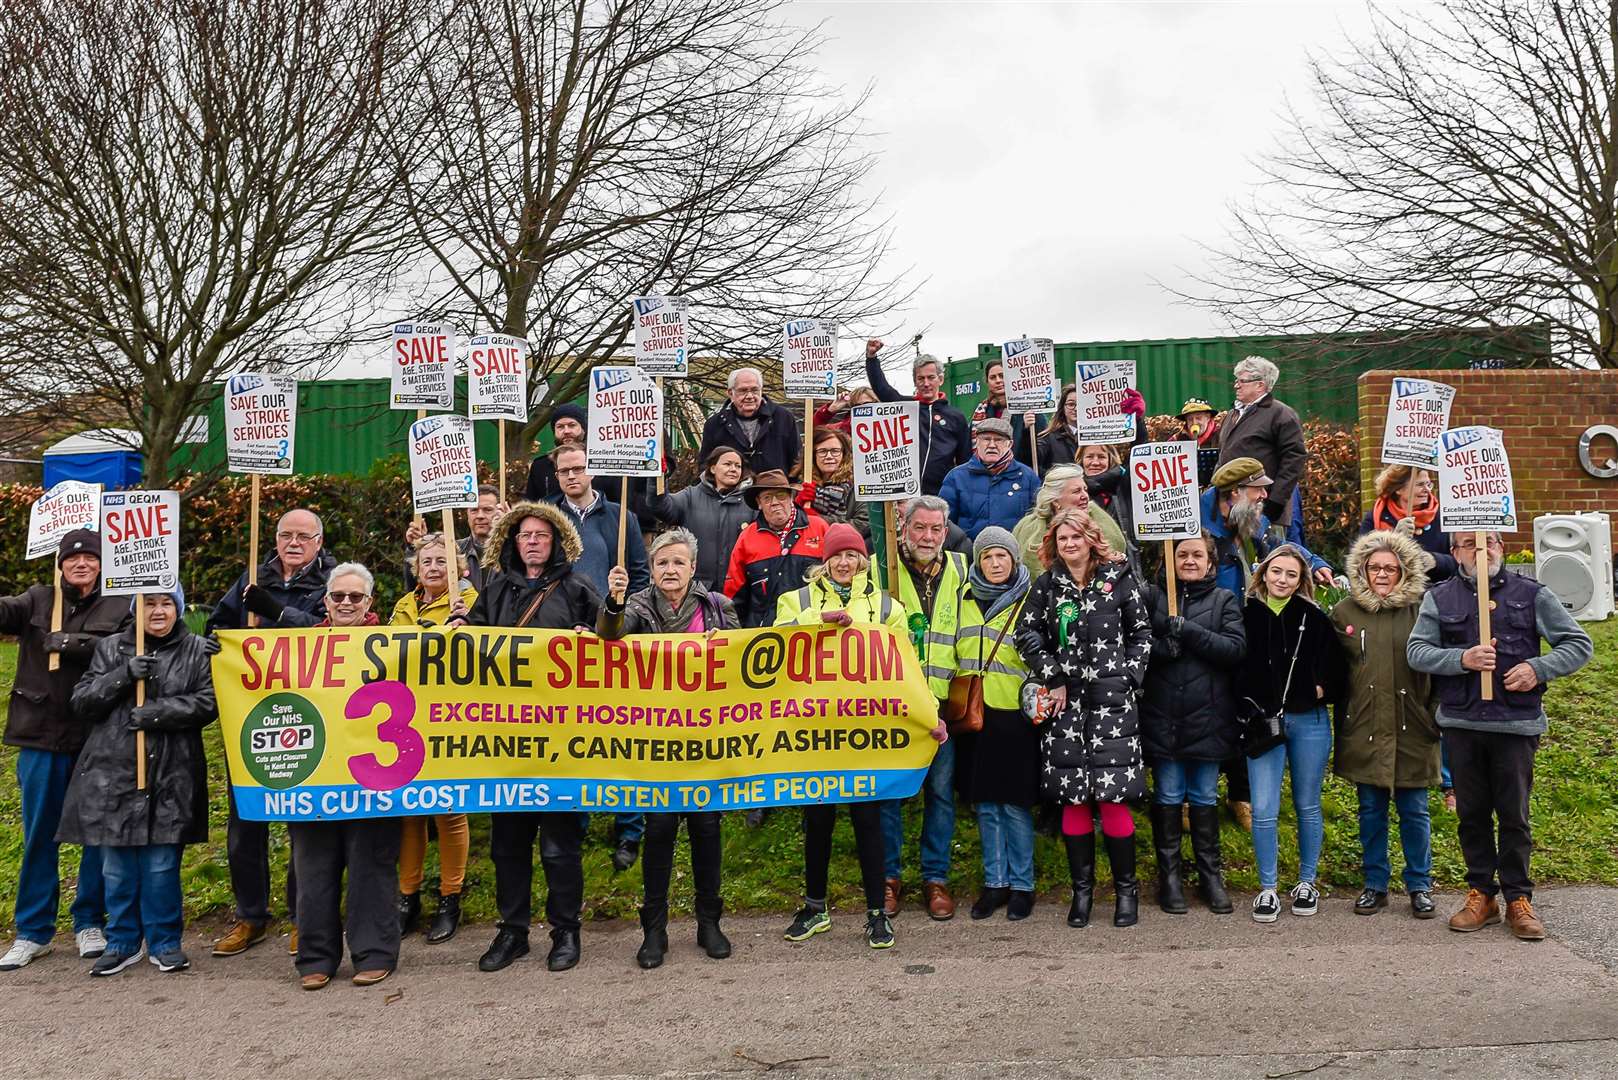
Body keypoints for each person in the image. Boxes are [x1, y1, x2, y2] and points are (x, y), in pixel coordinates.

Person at [1407, 531, 1593, 941]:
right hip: (1462, 724)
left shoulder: (1532, 594)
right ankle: (1481, 895)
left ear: (1501, 548)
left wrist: (1537, 669)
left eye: (1488, 541)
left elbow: (1578, 643)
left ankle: (1518, 899)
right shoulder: (1440, 598)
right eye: (1469, 543)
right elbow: (1417, 652)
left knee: (1514, 816)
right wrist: (1461, 659)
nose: (1481, 549)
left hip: (1515, 726)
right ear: (1454, 554)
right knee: (1471, 816)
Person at [460, 501, 601, 972]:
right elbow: (471, 650)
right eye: (525, 535)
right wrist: (461, 630)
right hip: (506, 741)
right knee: (508, 845)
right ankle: (512, 931)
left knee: (560, 846)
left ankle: (566, 931)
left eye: (542, 534)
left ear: (557, 539)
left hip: (562, 742)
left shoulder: (579, 589)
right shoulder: (494, 589)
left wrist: (593, 636)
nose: (534, 541)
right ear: (512, 542)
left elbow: (610, 646)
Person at [774, 523, 928, 950]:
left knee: (869, 822)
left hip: (867, 731)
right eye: (836, 556)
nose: (843, 563)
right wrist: (815, 623)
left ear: (862, 560)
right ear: (824, 562)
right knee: (818, 820)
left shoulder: (884, 605)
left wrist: (927, 714)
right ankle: (815, 907)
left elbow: (906, 667)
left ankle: (877, 913)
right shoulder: (797, 599)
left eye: (851, 556)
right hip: (815, 728)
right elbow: (776, 644)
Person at [597, 529, 738, 969]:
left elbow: (740, 666)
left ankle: (708, 922)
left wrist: (725, 650)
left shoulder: (717, 608)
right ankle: (653, 929)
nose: (670, 570)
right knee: (658, 832)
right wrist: (614, 600)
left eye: (678, 563)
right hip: (656, 748)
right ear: (652, 570)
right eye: (662, 563)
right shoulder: (638, 606)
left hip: (705, 744)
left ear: (693, 568)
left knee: (706, 832)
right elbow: (610, 636)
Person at [59, 588, 215, 975]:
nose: (158, 611)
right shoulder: (111, 648)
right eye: (149, 603)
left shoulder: (197, 649)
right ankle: (123, 940)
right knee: (117, 868)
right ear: (136, 609)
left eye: (166, 603)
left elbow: (208, 702)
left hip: (171, 774)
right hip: (113, 775)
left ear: (177, 609)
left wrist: (156, 713)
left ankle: (165, 941)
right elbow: (83, 702)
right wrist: (123, 676)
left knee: (162, 865)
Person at [1015, 509, 1153, 929]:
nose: (1070, 544)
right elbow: (1027, 633)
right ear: (1053, 545)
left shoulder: (1119, 580)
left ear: (1092, 539)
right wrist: (1052, 674)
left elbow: (1142, 634)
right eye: (1062, 539)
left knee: (1113, 799)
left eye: (1077, 536)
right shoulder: (1047, 586)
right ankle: (1083, 893)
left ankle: (1126, 894)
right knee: (1073, 797)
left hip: (1114, 707)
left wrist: (1129, 675)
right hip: (1066, 709)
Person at [207, 508, 334, 959]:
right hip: (252, 712)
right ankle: (250, 916)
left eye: (303, 536)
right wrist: (218, 640)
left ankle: (306, 917)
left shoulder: (331, 581)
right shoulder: (252, 576)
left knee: (303, 819)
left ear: (319, 541)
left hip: (308, 711)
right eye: (285, 535)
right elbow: (217, 627)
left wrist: (277, 613)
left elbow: (331, 632)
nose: (293, 542)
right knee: (246, 820)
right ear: (275, 538)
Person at [0, 530, 127, 971]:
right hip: (39, 735)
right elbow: (3, 613)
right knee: (39, 834)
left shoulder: (119, 603)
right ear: (60, 564)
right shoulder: (36, 599)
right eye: (73, 558)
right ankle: (33, 931)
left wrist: (71, 643)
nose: (82, 565)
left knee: (96, 833)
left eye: (90, 558)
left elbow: (124, 650)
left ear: (101, 564)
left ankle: (89, 921)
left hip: (96, 736)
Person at [292, 565, 402, 989]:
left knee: (370, 866)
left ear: (369, 603)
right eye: (338, 596)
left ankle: (374, 952)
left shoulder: (394, 646)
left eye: (355, 597)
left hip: (373, 774)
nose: (345, 604)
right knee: (313, 869)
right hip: (315, 774)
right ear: (325, 601)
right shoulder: (299, 648)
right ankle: (316, 956)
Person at [1330, 531, 1439, 919]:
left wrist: (1434, 712)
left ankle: (1420, 885)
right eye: (1374, 567)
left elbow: (1438, 667)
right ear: (1362, 569)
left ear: (1403, 571)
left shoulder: (1423, 609)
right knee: (1370, 811)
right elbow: (1333, 669)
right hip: (1365, 725)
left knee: (1415, 811)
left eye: (1390, 568)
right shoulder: (1344, 612)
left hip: (1413, 724)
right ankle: (1375, 884)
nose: (1381, 574)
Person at [1240, 545, 1347, 923]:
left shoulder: (1314, 618)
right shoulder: (1245, 613)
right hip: (1262, 722)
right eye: (1276, 572)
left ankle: (1306, 881)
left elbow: (1337, 672)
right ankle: (1267, 888)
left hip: (1309, 722)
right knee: (1265, 807)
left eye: (1291, 574)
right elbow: (1235, 668)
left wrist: (1318, 689)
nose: (1282, 580)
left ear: (1301, 580)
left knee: (1307, 804)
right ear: (1263, 573)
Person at [1141, 532, 1244, 916]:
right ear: (1169, 559)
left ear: (1210, 561)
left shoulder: (1225, 601)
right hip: (1163, 715)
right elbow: (1134, 643)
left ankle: (1209, 876)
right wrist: (1159, 646)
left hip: (1208, 718)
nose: (1188, 560)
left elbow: (1234, 650)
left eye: (1196, 555)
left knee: (1203, 797)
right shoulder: (1153, 599)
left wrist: (1188, 631)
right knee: (1168, 795)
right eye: (1181, 554)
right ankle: (1168, 878)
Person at [881, 495, 969, 920]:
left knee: (940, 794)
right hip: (896, 706)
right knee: (891, 795)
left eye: (936, 529)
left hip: (942, 705)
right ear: (904, 527)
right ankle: (888, 877)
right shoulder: (885, 571)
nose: (928, 537)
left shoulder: (961, 568)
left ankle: (936, 878)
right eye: (920, 528)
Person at [389, 534, 476, 944]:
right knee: (410, 811)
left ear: (459, 567)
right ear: (415, 568)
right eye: (427, 561)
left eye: (443, 560)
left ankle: (450, 896)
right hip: (406, 718)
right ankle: (408, 896)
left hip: (450, 715)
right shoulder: (402, 607)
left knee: (448, 809)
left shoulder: (470, 602)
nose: (434, 567)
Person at [953, 527, 1039, 922]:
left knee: (1016, 804)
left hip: (1016, 713)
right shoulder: (963, 598)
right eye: (987, 557)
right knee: (986, 804)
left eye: (1001, 556)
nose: (994, 563)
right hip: (975, 714)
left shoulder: (1030, 599)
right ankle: (995, 882)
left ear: (1014, 559)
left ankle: (1023, 885)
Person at [1203, 457, 1335, 598]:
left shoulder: (1246, 517)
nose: (1264, 495)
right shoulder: (1198, 532)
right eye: (1259, 489)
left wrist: (1313, 563)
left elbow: (1278, 546)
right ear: (1235, 491)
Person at [723, 470, 829, 629]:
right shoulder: (747, 537)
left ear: (791, 498)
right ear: (759, 502)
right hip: (764, 635)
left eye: (781, 496)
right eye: (767, 498)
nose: (775, 502)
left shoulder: (819, 528)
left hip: (812, 631)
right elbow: (734, 596)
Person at [864, 339, 970, 495]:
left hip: (942, 494)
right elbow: (882, 389)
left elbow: (965, 461)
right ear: (915, 381)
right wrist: (871, 358)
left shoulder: (956, 416)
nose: (926, 383)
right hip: (907, 494)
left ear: (940, 379)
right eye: (921, 378)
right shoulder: (905, 407)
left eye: (931, 377)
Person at [548, 442, 650, 601]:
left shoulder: (622, 517)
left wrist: (625, 610)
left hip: (607, 615)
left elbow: (640, 574)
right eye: (564, 471)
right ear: (557, 476)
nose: (571, 476)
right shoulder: (547, 518)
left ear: (592, 471)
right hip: (560, 616)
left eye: (578, 469)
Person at [1214, 356, 1308, 529]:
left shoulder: (1281, 414)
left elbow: (1294, 459)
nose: (1236, 385)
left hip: (1264, 512)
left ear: (1260, 385)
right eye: (1237, 380)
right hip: (1229, 511)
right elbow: (1223, 456)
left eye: (1242, 381)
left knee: (1268, 555)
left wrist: (1275, 503)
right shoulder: (1231, 415)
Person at [524, 404, 652, 530]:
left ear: (583, 429)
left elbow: (620, 502)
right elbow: (531, 505)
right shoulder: (540, 466)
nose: (566, 431)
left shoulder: (604, 463)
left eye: (572, 425)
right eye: (560, 427)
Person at [645, 445, 754, 591]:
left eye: (738, 466)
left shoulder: (751, 503)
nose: (733, 469)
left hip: (738, 592)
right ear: (713, 468)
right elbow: (661, 507)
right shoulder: (691, 496)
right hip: (697, 591)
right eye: (727, 464)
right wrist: (656, 476)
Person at [1012, 465, 1127, 576]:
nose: (1085, 496)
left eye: (1085, 490)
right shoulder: (1027, 528)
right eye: (1076, 491)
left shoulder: (1100, 521)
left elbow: (1117, 548)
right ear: (1055, 501)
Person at [939, 417, 1039, 539]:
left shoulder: (1027, 477)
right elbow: (944, 523)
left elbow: (1036, 522)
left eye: (999, 440)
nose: (992, 445)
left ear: (1010, 444)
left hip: (1014, 554)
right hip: (969, 553)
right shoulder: (956, 477)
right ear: (977, 441)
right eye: (986, 439)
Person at [696, 366, 801, 477]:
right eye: (743, 391)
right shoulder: (715, 424)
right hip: (732, 492)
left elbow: (797, 460)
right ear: (730, 393)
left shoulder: (783, 418)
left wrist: (793, 488)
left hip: (774, 491)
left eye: (755, 390)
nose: (750, 396)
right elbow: (705, 466)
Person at [1360, 464, 1456, 582]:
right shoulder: (1376, 518)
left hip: (1436, 592)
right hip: (1391, 593)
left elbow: (1461, 561)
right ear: (1399, 489)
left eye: (1428, 484)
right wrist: (1395, 539)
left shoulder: (1442, 517)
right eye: (1420, 485)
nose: (1427, 490)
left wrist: (1435, 561)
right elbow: (1362, 561)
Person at [403, 484, 503, 593]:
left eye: (487, 510)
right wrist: (415, 548)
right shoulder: (452, 551)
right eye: (474, 510)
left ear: (499, 512)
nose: (480, 516)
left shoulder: (513, 551)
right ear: (467, 514)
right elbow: (418, 588)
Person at [797, 425, 864, 534]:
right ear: (813, 455)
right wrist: (796, 507)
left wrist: (819, 520)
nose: (829, 456)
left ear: (844, 454)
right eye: (822, 451)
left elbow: (862, 524)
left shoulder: (857, 486)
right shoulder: (803, 485)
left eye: (835, 451)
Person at [968, 358, 1029, 462]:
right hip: (984, 472)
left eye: (1002, 376)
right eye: (993, 377)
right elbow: (968, 448)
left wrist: (1028, 429)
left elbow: (1043, 451)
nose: (998, 380)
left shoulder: (1027, 408)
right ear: (987, 382)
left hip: (1018, 472)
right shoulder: (981, 411)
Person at [1173, 398, 1222, 487]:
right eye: (1190, 419)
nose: (1194, 422)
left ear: (1208, 417)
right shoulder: (1177, 439)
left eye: (1198, 418)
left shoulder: (1221, 435)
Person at [1035, 385, 1081, 476]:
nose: (1076, 409)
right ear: (1062, 408)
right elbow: (1032, 461)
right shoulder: (1048, 438)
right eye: (1071, 404)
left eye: (1081, 404)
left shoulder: (1100, 437)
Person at [812, 386, 878, 436]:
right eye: (857, 405)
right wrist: (830, 410)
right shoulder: (841, 429)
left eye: (867, 404)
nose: (862, 409)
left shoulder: (886, 426)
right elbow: (814, 429)